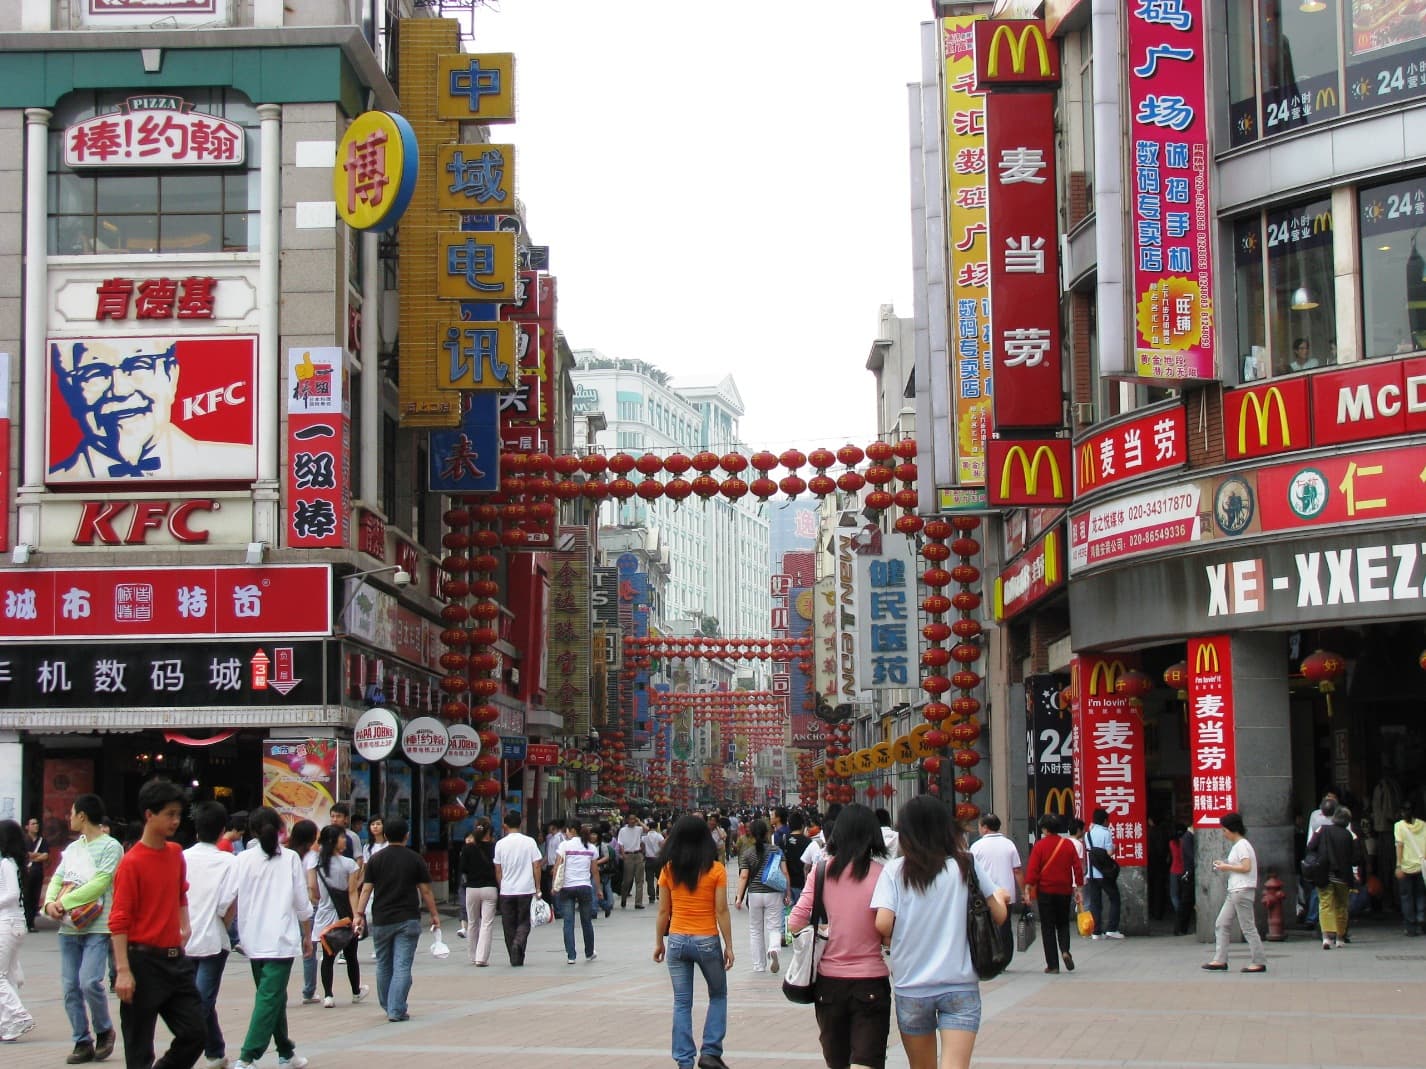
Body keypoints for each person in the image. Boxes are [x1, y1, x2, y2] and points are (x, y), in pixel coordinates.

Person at [872, 796, 1009, 1069]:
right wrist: (1001, 896)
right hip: (960, 984)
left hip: (912, 986)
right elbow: (1000, 915)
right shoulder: (965, 864)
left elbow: (882, 923)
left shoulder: (895, 871)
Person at [48, 337, 251, 481]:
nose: (120, 390)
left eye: (138, 366)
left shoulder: (242, 464)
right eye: (94, 373)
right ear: (68, 390)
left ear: (171, 376)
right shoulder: (57, 477)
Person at [109, 778, 207, 1069]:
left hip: (175, 962)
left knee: (195, 1033)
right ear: (149, 815)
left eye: (178, 814)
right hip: (142, 962)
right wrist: (123, 971)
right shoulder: (131, 863)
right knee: (139, 1049)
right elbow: (119, 920)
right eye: (169, 814)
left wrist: (184, 924)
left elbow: (180, 892)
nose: (175, 821)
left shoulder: (176, 853)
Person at [789, 804, 890, 1069]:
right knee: (867, 1061)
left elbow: (795, 922)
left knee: (837, 1062)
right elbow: (889, 930)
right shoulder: (883, 875)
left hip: (829, 985)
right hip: (871, 982)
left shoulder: (820, 872)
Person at [231, 808, 312, 1069]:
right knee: (269, 997)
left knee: (272, 996)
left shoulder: (241, 859)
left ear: (252, 830)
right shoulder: (289, 858)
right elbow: (302, 902)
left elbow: (226, 900)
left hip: (252, 939)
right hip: (280, 940)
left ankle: (286, 1052)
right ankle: (247, 1056)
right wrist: (307, 933)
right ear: (280, 828)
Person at [45, 792, 122, 1065]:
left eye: (72, 813)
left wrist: (62, 902)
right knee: (70, 987)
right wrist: (49, 903)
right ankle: (81, 1041)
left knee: (89, 982)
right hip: (69, 927)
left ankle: (104, 1031)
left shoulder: (111, 847)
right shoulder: (73, 849)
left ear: (82, 816)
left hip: (97, 926)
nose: (69, 818)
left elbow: (101, 883)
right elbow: (58, 877)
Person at [653, 815, 734, 1069]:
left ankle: (684, 1060)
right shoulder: (716, 869)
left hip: (676, 940)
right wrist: (728, 945)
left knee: (682, 1001)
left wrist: (659, 942)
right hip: (706, 940)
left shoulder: (668, 869)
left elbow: (663, 912)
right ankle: (710, 1051)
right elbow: (721, 910)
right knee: (718, 994)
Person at [353, 817, 440, 1023]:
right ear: (406, 835)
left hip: (382, 918)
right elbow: (425, 890)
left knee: (384, 964)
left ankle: (389, 1005)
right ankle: (396, 1008)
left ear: (385, 835)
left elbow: (366, 889)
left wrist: (359, 913)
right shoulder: (415, 858)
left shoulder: (376, 859)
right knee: (402, 965)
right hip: (408, 918)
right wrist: (434, 914)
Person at [184, 802, 239, 1069]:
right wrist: (225, 926)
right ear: (222, 830)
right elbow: (226, 906)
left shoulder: (181, 857)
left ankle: (214, 1053)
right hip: (214, 939)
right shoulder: (229, 861)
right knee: (202, 1001)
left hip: (184, 938)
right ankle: (212, 1051)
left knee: (200, 1000)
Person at [1201, 812, 1267, 973]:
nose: (1223, 834)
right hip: (1235, 890)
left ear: (1232, 829)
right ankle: (1220, 959)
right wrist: (1225, 864)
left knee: (1248, 927)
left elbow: (1246, 867)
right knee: (1221, 923)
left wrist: (1226, 867)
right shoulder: (1239, 845)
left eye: (1224, 830)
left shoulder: (1242, 845)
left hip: (1241, 890)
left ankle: (1258, 961)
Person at [308, 825, 366, 1007]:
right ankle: (356, 992)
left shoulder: (315, 863)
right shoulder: (349, 864)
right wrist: (358, 915)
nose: (344, 840)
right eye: (342, 838)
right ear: (334, 841)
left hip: (324, 915)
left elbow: (312, 890)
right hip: (345, 916)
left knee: (327, 956)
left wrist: (319, 900)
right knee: (351, 956)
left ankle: (328, 995)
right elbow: (352, 892)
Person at [733, 818, 788, 974]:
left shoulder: (747, 853)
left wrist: (738, 897)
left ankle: (758, 965)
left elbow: (744, 876)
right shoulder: (776, 850)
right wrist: (787, 892)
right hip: (774, 893)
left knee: (756, 930)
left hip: (755, 894)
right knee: (774, 927)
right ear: (766, 833)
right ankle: (774, 949)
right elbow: (784, 872)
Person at [968, 814, 1024, 966]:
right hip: (1007, 893)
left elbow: (971, 872)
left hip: (985, 894)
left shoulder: (976, 846)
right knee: (1005, 927)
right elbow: (1017, 870)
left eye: (980, 826)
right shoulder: (1009, 844)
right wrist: (1024, 892)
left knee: (985, 926)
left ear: (985, 828)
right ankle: (1005, 958)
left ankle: (990, 955)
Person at [492, 809, 542, 967]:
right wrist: (538, 887)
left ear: (504, 825)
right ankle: (518, 944)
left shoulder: (500, 844)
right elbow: (536, 866)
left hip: (507, 890)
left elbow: (498, 870)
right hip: (526, 889)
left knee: (508, 924)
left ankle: (514, 956)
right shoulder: (529, 842)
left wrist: (502, 886)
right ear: (521, 823)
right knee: (524, 921)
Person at [0, 818, 34, 1043]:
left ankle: (19, 1016)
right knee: (9, 976)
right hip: (14, 923)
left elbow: (11, 894)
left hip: (8, 923)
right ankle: (7, 1024)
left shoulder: (6, 863)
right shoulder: (14, 863)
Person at [1311, 805, 1358, 950]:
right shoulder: (1349, 836)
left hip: (1325, 874)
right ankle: (1340, 938)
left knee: (1325, 904)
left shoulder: (1322, 830)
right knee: (1341, 906)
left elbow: (1310, 846)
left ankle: (1326, 937)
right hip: (1343, 876)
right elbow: (1355, 858)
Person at [554, 820, 600, 965]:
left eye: (566, 830)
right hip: (585, 887)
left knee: (568, 922)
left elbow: (557, 866)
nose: (565, 833)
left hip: (567, 887)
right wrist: (598, 890)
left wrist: (554, 885)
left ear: (571, 830)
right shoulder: (591, 847)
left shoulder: (564, 845)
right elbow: (595, 871)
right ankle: (589, 952)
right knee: (586, 921)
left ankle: (571, 955)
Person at [283, 821, 319, 1006]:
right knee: (309, 949)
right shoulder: (311, 856)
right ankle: (309, 990)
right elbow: (312, 883)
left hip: (286, 907)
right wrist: (316, 897)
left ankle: (281, 989)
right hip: (306, 905)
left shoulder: (286, 854)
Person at [459, 818, 499, 966]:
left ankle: (473, 955)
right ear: (489, 831)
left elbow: (462, 868)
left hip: (472, 888)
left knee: (472, 922)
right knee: (486, 923)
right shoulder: (495, 847)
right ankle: (481, 958)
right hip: (489, 888)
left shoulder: (468, 848)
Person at [1083, 809, 1123, 939]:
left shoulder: (1087, 834)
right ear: (1105, 821)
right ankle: (1112, 929)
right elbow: (1109, 853)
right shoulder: (1106, 833)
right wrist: (1115, 848)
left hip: (1092, 874)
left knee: (1095, 903)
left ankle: (1096, 932)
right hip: (1104, 874)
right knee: (1115, 898)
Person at [1393, 802, 1426, 936]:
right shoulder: (1424, 825)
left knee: (1406, 896)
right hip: (1421, 867)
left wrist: (1398, 865)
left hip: (1406, 867)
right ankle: (1422, 918)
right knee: (1421, 895)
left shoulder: (1399, 826)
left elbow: (1399, 846)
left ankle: (1410, 926)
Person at [618, 813, 648, 909]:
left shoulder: (639, 829)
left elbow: (647, 829)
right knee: (627, 880)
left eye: (634, 819)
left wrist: (639, 822)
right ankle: (623, 898)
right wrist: (623, 855)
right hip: (628, 855)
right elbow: (620, 843)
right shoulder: (623, 830)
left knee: (640, 880)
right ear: (627, 820)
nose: (632, 821)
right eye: (631, 819)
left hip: (638, 855)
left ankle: (638, 903)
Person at [23, 817, 48, 933]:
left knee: (35, 898)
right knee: (25, 898)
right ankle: (24, 922)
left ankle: (31, 923)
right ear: (27, 827)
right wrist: (37, 855)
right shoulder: (23, 840)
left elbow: (45, 856)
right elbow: (25, 855)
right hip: (26, 873)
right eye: (33, 824)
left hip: (37, 873)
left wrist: (32, 855)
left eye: (37, 823)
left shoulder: (42, 841)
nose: (35, 825)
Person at [783, 812, 811, 906]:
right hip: (802, 884)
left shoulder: (783, 840)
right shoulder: (808, 842)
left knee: (788, 915)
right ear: (802, 826)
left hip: (786, 884)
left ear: (789, 825)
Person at [589, 828, 616, 919]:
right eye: (591, 834)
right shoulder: (586, 845)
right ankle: (605, 906)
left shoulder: (602, 845)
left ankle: (593, 911)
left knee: (594, 890)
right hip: (586, 871)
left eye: (595, 834)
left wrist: (596, 862)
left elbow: (607, 857)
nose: (593, 836)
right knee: (592, 891)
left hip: (598, 871)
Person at [642, 821, 666, 903]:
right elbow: (663, 845)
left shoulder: (645, 837)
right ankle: (658, 893)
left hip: (648, 859)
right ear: (656, 827)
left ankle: (651, 896)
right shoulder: (659, 836)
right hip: (658, 859)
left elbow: (642, 847)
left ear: (649, 827)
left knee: (650, 879)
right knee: (660, 877)